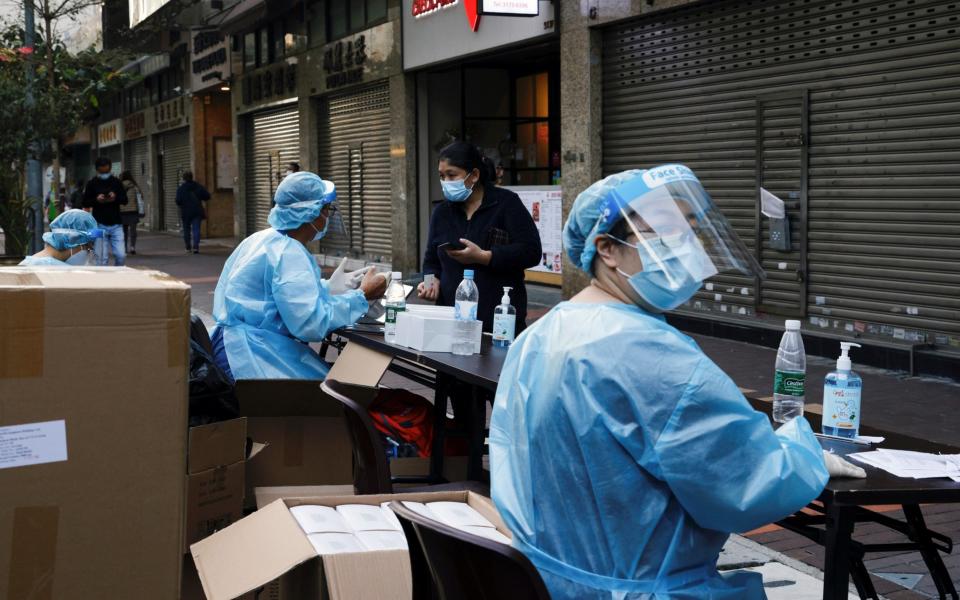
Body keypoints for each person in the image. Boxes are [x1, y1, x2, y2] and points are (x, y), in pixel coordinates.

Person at [489, 165, 866, 600]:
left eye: (691, 229)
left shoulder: (540, 334)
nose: (685, 246)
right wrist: (806, 457)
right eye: (665, 230)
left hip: (549, 583)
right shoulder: (651, 353)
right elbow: (747, 483)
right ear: (607, 249)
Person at [210, 171, 388, 381]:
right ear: (313, 214)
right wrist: (361, 295)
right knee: (336, 397)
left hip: (234, 346)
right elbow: (310, 324)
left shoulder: (263, 239)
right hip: (254, 356)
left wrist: (326, 288)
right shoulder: (289, 253)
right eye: (327, 210)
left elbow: (279, 294)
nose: (328, 217)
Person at [417, 141, 541, 333]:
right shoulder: (441, 212)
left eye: (452, 175)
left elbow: (531, 251)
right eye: (442, 176)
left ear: (474, 175)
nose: (446, 182)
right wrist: (430, 281)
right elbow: (431, 260)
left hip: (499, 321)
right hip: (451, 318)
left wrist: (485, 256)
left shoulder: (506, 204)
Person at [82, 157, 127, 266]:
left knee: (121, 255)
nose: (104, 173)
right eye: (102, 171)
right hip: (97, 225)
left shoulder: (116, 182)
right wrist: (96, 200)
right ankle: (103, 281)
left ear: (110, 169)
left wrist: (115, 197)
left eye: (106, 170)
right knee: (101, 260)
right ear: (97, 169)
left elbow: (125, 200)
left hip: (117, 224)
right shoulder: (92, 183)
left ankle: (117, 276)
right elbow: (85, 202)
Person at [19, 209, 101, 266]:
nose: (88, 253)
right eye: (87, 247)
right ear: (72, 240)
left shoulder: (28, 264)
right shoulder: (56, 270)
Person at [176, 171, 211, 254]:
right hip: (196, 211)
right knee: (196, 229)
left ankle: (188, 247)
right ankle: (196, 247)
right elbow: (207, 196)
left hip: (186, 212)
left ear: (183, 178)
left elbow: (178, 201)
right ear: (192, 177)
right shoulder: (198, 186)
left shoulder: (181, 188)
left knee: (186, 230)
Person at [119, 171, 143, 255]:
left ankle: (124, 248)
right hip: (133, 211)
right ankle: (132, 247)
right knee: (133, 230)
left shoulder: (119, 186)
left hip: (122, 212)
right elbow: (141, 197)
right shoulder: (135, 187)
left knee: (123, 231)